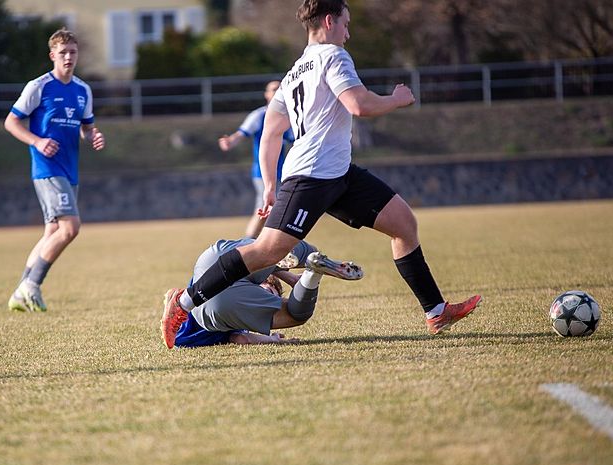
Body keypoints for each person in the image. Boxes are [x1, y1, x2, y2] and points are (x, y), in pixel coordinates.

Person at [161, 0, 481, 348]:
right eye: (346, 23)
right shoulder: (333, 56)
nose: (348, 32)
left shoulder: (294, 72)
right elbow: (359, 105)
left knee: (404, 223)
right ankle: (183, 303)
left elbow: (271, 133)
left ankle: (436, 311)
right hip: (311, 175)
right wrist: (397, 98)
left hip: (338, 173)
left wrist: (270, 184)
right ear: (329, 21)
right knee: (266, 251)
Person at [4, 28, 105, 312]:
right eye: (63, 53)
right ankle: (31, 285)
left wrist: (94, 136)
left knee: (52, 232)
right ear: (52, 56)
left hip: (70, 169)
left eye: (73, 52)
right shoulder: (38, 86)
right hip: (47, 168)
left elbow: (86, 128)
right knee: (70, 228)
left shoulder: (83, 90)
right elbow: (11, 122)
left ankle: (21, 291)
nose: (68, 57)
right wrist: (37, 141)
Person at [173, 237, 363, 347]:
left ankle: (306, 265)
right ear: (258, 285)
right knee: (296, 312)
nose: (270, 297)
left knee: (264, 253)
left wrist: (289, 279)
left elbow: (241, 338)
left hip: (212, 258)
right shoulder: (239, 313)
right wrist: (273, 339)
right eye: (271, 292)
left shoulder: (237, 312)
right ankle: (307, 266)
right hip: (211, 300)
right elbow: (240, 337)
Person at [218, 81, 295, 238]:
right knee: (263, 209)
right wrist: (230, 141)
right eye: (274, 89)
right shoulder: (259, 115)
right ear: (266, 94)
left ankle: (265, 244)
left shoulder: (289, 116)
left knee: (275, 211)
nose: (277, 91)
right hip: (263, 172)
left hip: (283, 172)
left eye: (280, 88)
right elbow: (241, 133)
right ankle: (247, 243)